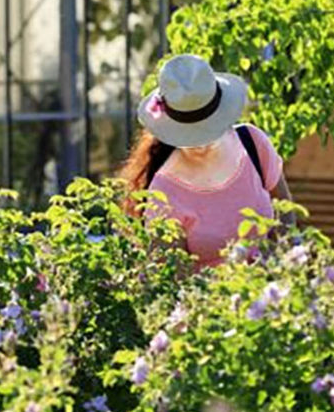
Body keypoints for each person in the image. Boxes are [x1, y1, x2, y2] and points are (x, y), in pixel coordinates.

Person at [119, 54, 294, 271]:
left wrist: (283, 260)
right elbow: (171, 279)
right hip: (210, 302)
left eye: (207, 130)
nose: (200, 144)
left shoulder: (253, 144)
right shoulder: (163, 194)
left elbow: (285, 209)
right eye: (189, 136)